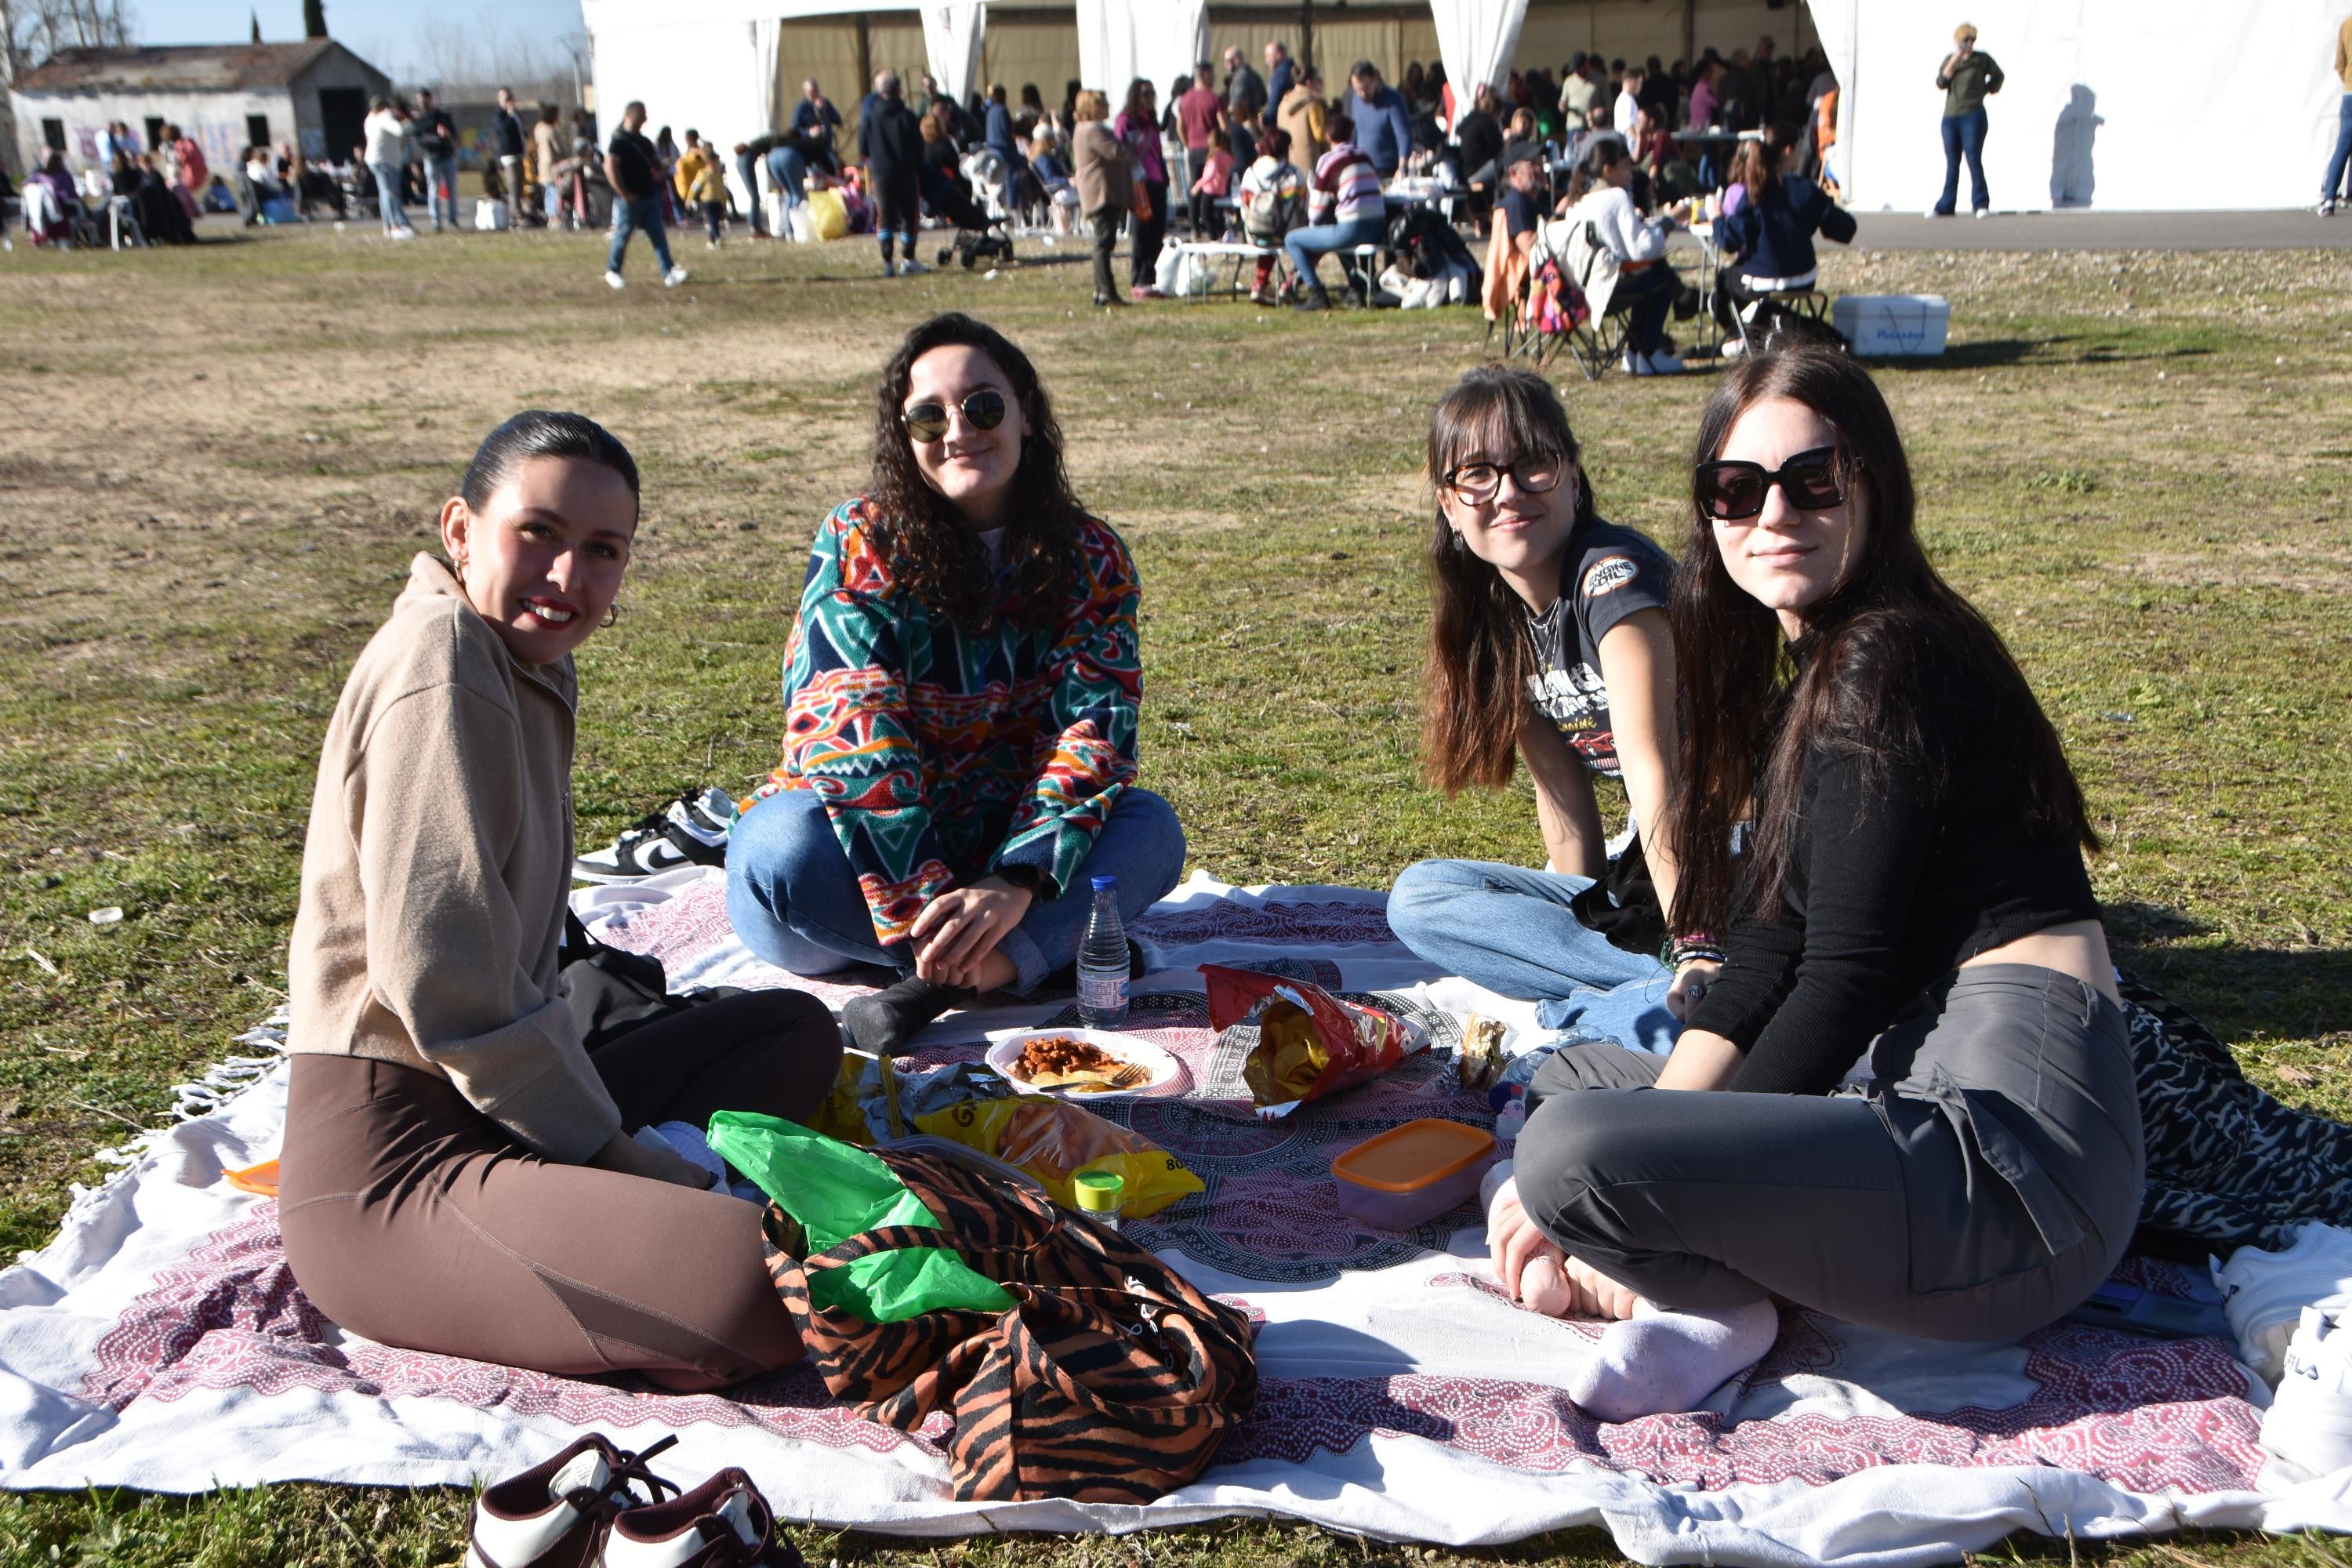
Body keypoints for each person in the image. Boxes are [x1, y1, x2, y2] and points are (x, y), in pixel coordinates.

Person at [1487, 343, 2140, 1423]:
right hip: (1910, 1094)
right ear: (1708, 515)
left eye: (1814, 480)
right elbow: (1767, 957)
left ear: (1873, 485)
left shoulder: (1888, 660)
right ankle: (1687, 1272)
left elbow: (1845, 976)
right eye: (1737, 491)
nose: (1773, 514)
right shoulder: (1820, 679)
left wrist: (1652, 1185)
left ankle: (1709, 1304)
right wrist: (1662, 1150)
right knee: (1577, 1082)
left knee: (1570, 1153)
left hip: (2016, 1180)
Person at [277, 411, 845, 1392]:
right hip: (392, 1161)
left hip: (487, 1102)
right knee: (759, 1289)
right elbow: (445, 984)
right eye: (536, 533)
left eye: (600, 550)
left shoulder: (519, 658)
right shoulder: (443, 660)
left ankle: (578, 1199)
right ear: (460, 530)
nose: (566, 577)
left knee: (793, 1031)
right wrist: (621, 1154)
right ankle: (589, 1213)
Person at [727, 314, 1185, 1055]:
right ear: (903, 436)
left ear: (1027, 414)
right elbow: (850, 731)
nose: (958, 429)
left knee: (1151, 831)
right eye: (928, 415)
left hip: (1004, 858)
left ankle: (940, 987)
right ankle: (1024, 961)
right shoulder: (857, 539)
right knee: (780, 846)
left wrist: (1017, 880)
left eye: (983, 406)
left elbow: (1095, 725)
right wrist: (936, 903)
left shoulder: (1091, 555)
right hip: (853, 871)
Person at [1389, 365, 1682, 1011]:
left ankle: (1681, 983)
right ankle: (1641, 994)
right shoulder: (1495, 619)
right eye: (1478, 475)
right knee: (1420, 898)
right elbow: (1565, 804)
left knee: (1673, 962)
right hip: (1647, 873)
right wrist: (1583, 911)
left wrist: (1695, 942)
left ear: (1574, 477)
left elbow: (1655, 770)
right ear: (1448, 502)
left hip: (1735, 846)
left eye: (1534, 466)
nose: (1509, 492)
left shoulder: (1614, 581)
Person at [1711, 123, 1857, 351]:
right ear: (1788, 150)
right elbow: (1845, 228)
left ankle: (1742, 334)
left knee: (1724, 280)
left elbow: (1729, 240)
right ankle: (1770, 325)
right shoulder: (1804, 189)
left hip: (1763, 278)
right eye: (1800, 147)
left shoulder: (1755, 192)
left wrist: (1717, 218)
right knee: (1755, 292)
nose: (1801, 152)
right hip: (1805, 276)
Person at [1563, 139, 1683, 374]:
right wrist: (1669, 221)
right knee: (1663, 277)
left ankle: (1636, 354)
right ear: (1608, 169)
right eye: (1626, 164)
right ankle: (1646, 352)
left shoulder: (1579, 200)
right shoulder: (1617, 196)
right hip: (1608, 288)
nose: (1631, 169)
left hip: (1581, 289)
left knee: (1653, 276)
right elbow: (1642, 248)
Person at [1287, 111, 1385, 311]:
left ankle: (1316, 292)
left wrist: (1314, 230)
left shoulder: (1329, 160)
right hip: (1378, 226)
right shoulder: (1364, 155)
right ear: (1351, 134)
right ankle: (1357, 287)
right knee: (1338, 234)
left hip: (1352, 228)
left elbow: (1316, 210)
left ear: (1327, 136)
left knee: (1293, 240)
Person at [603, 100, 688, 289]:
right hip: (629, 198)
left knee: (658, 234)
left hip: (649, 195)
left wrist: (670, 163)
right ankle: (613, 270)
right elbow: (610, 168)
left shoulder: (645, 141)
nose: (645, 119)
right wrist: (623, 193)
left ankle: (669, 272)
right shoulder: (618, 141)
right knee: (623, 234)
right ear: (631, 115)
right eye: (642, 114)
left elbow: (656, 164)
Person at [1931, 23, 2002, 217]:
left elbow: (1998, 76)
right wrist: (1955, 60)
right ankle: (1946, 205)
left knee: (1973, 157)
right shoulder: (1951, 60)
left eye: (1972, 40)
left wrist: (1987, 89)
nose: (1969, 44)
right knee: (1952, 162)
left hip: (1973, 115)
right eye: (1965, 41)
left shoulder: (1981, 60)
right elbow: (1941, 82)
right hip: (1951, 117)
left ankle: (1980, 203)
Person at [858, 72, 926, 278]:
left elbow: (863, 147)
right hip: (905, 172)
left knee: (885, 215)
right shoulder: (907, 116)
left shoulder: (869, 117)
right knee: (909, 215)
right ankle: (908, 258)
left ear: (880, 91)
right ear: (899, 91)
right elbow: (918, 146)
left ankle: (888, 261)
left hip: (881, 173)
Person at [1070, 89, 1131, 307]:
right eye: (1103, 103)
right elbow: (1117, 152)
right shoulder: (1094, 129)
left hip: (1093, 189)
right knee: (1104, 242)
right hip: (1101, 191)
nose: (1107, 106)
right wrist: (1130, 144)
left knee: (1102, 240)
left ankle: (1100, 289)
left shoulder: (1081, 129)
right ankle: (1106, 290)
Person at [1113, 78, 1171, 299]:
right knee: (1142, 232)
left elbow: (1158, 152)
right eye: (1146, 94)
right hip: (1139, 182)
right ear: (1136, 96)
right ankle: (1139, 278)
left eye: (1152, 94)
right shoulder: (1126, 121)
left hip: (1157, 180)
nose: (1150, 98)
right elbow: (1119, 149)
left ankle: (1149, 276)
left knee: (1157, 231)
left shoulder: (1151, 123)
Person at [1238, 125, 1305, 304]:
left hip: (1254, 234)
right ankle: (1290, 283)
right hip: (1286, 234)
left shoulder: (1250, 173)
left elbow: (1244, 205)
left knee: (1267, 236)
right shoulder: (1295, 174)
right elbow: (1304, 204)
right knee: (1313, 242)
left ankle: (1259, 284)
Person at [1175, 61, 1224, 232]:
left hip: (1194, 148)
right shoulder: (1214, 98)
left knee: (1195, 186)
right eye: (1212, 74)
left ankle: (1194, 225)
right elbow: (1223, 125)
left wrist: (1188, 143)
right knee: (1214, 186)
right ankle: (1214, 225)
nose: (1215, 77)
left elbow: (1179, 126)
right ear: (1205, 74)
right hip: (1212, 150)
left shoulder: (1185, 99)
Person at [1348, 61, 1413, 178]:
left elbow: (1404, 135)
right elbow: (1354, 132)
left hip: (1388, 170)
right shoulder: (1356, 100)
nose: (1362, 94)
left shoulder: (1393, 100)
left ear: (1376, 79)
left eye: (1366, 88)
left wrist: (1402, 167)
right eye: (1358, 90)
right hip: (1362, 168)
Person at [361, 96, 413, 238]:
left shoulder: (369, 119)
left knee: (384, 193)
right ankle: (394, 226)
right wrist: (409, 122)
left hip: (373, 159)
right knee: (389, 193)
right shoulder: (385, 117)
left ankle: (387, 227)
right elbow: (400, 131)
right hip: (385, 160)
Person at [412, 89, 459, 234]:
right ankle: (436, 222)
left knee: (451, 190)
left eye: (423, 99)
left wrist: (447, 134)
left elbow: (454, 135)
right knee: (433, 190)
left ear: (429, 99)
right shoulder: (420, 119)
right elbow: (418, 139)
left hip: (447, 156)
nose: (421, 102)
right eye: (418, 99)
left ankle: (453, 219)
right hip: (431, 158)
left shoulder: (443, 116)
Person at [2321, 11, 2352, 215]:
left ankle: (2330, 197)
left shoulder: (2346, 25)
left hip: (2350, 93)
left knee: (2344, 144)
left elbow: (2339, 63)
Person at [1189, 127, 1235, 242]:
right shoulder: (1228, 156)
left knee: (1206, 215)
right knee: (1218, 216)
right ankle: (1223, 235)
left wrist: (1197, 185)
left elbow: (1209, 175)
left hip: (1210, 190)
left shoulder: (1215, 156)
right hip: (1221, 190)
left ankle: (1214, 237)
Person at [1278, 64, 1328, 169]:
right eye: (1319, 80)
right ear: (1309, 83)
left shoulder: (1284, 102)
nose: (1322, 84)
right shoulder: (1313, 104)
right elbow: (1319, 135)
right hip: (1309, 164)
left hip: (1287, 165)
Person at [1030, 129, 1080, 232]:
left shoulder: (1048, 157)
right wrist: (1068, 181)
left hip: (1060, 189)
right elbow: (1050, 179)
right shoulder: (1043, 159)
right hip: (1057, 190)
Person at [491, 87, 526, 216]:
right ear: (500, 100)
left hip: (519, 153)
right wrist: (510, 114)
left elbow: (522, 128)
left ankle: (520, 210)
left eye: (510, 98)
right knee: (513, 185)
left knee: (520, 185)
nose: (508, 101)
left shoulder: (515, 114)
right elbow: (504, 130)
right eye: (506, 99)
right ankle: (515, 214)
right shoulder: (499, 114)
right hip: (508, 155)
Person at [532, 105, 567, 225]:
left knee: (547, 191)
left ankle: (550, 216)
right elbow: (559, 148)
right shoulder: (551, 130)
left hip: (541, 164)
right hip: (552, 165)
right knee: (554, 191)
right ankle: (554, 216)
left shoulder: (538, 129)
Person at [793, 78, 843, 161]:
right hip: (810, 150)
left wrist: (824, 110)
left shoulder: (825, 103)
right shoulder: (801, 108)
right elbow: (795, 130)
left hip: (826, 148)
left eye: (817, 91)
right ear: (806, 93)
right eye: (812, 92)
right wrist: (808, 132)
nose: (815, 94)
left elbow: (838, 120)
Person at [690, 142, 728, 247]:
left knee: (715, 220)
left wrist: (724, 200)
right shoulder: (704, 173)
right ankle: (717, 237)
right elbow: (696, 186)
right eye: (716, 162)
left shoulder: (718, 175)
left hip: (717, 200)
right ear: (709, 162)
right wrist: (690, 198)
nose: (718, 164)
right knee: (712, 220)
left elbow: (722, 188)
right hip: (707, 200)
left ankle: (712, 240)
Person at [1225, 44, 1268, 126]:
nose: (1225, 64)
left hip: (1242, 123)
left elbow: (1237, 103)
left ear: (1237, 59)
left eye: (1227, 61)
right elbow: (1264, 99)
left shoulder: (1240, 77)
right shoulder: (1255, 75)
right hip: (1254, 122)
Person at [1265, 41, 1295, 124]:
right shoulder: (1294, 71)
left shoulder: (1280, 75)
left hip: (1281, 121)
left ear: (1278, 54)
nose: (1266, 60)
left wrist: (1267, 121)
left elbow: (1274, 100)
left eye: (1268, 56)